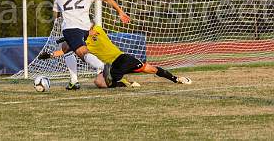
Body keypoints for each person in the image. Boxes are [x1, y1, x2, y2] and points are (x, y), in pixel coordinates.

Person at [52, 0, 130, 90]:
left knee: (82, 53)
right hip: (86, 29)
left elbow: (55, 13)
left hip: (71, 29)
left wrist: (57, 20)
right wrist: (120, 11)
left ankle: (102, 66)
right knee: (66, 48)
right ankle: (74, 81)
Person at [45, 25, 192, 88]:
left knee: (151, 69)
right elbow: (65, 51)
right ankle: (123, 82)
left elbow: (82, 36)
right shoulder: (82, 43)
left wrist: (70, 37)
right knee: (99, 82)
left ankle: (176, 79)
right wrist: (50, 55)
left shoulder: (96, 30)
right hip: (111, 66)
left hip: (122, 59)